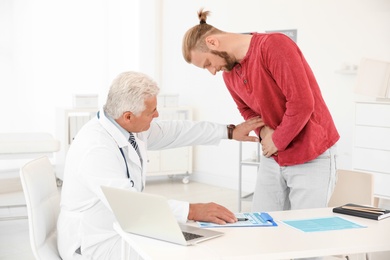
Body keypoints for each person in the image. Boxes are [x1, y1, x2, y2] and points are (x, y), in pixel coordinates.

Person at [57, 71, 264, 259]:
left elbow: (177, 131)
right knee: (182, 251)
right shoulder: (95, 148)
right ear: (128, 116)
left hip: (118, 226)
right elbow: (130, 204)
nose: (157, 115)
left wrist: (228, 132)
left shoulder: (127, 128)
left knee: (194, 240)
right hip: (93, 243)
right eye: (152, 111)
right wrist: (192, 210)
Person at [182, 9, 340, 213]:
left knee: (306, 230)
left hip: (311, 152)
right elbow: (246, 110)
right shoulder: (229, 74)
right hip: (274, 156)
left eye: (208, 64)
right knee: (262, 226)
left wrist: (276, 140)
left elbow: (302, 103)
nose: (212, 71)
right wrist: (265, 134)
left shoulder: (274, 45)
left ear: (213, 42)